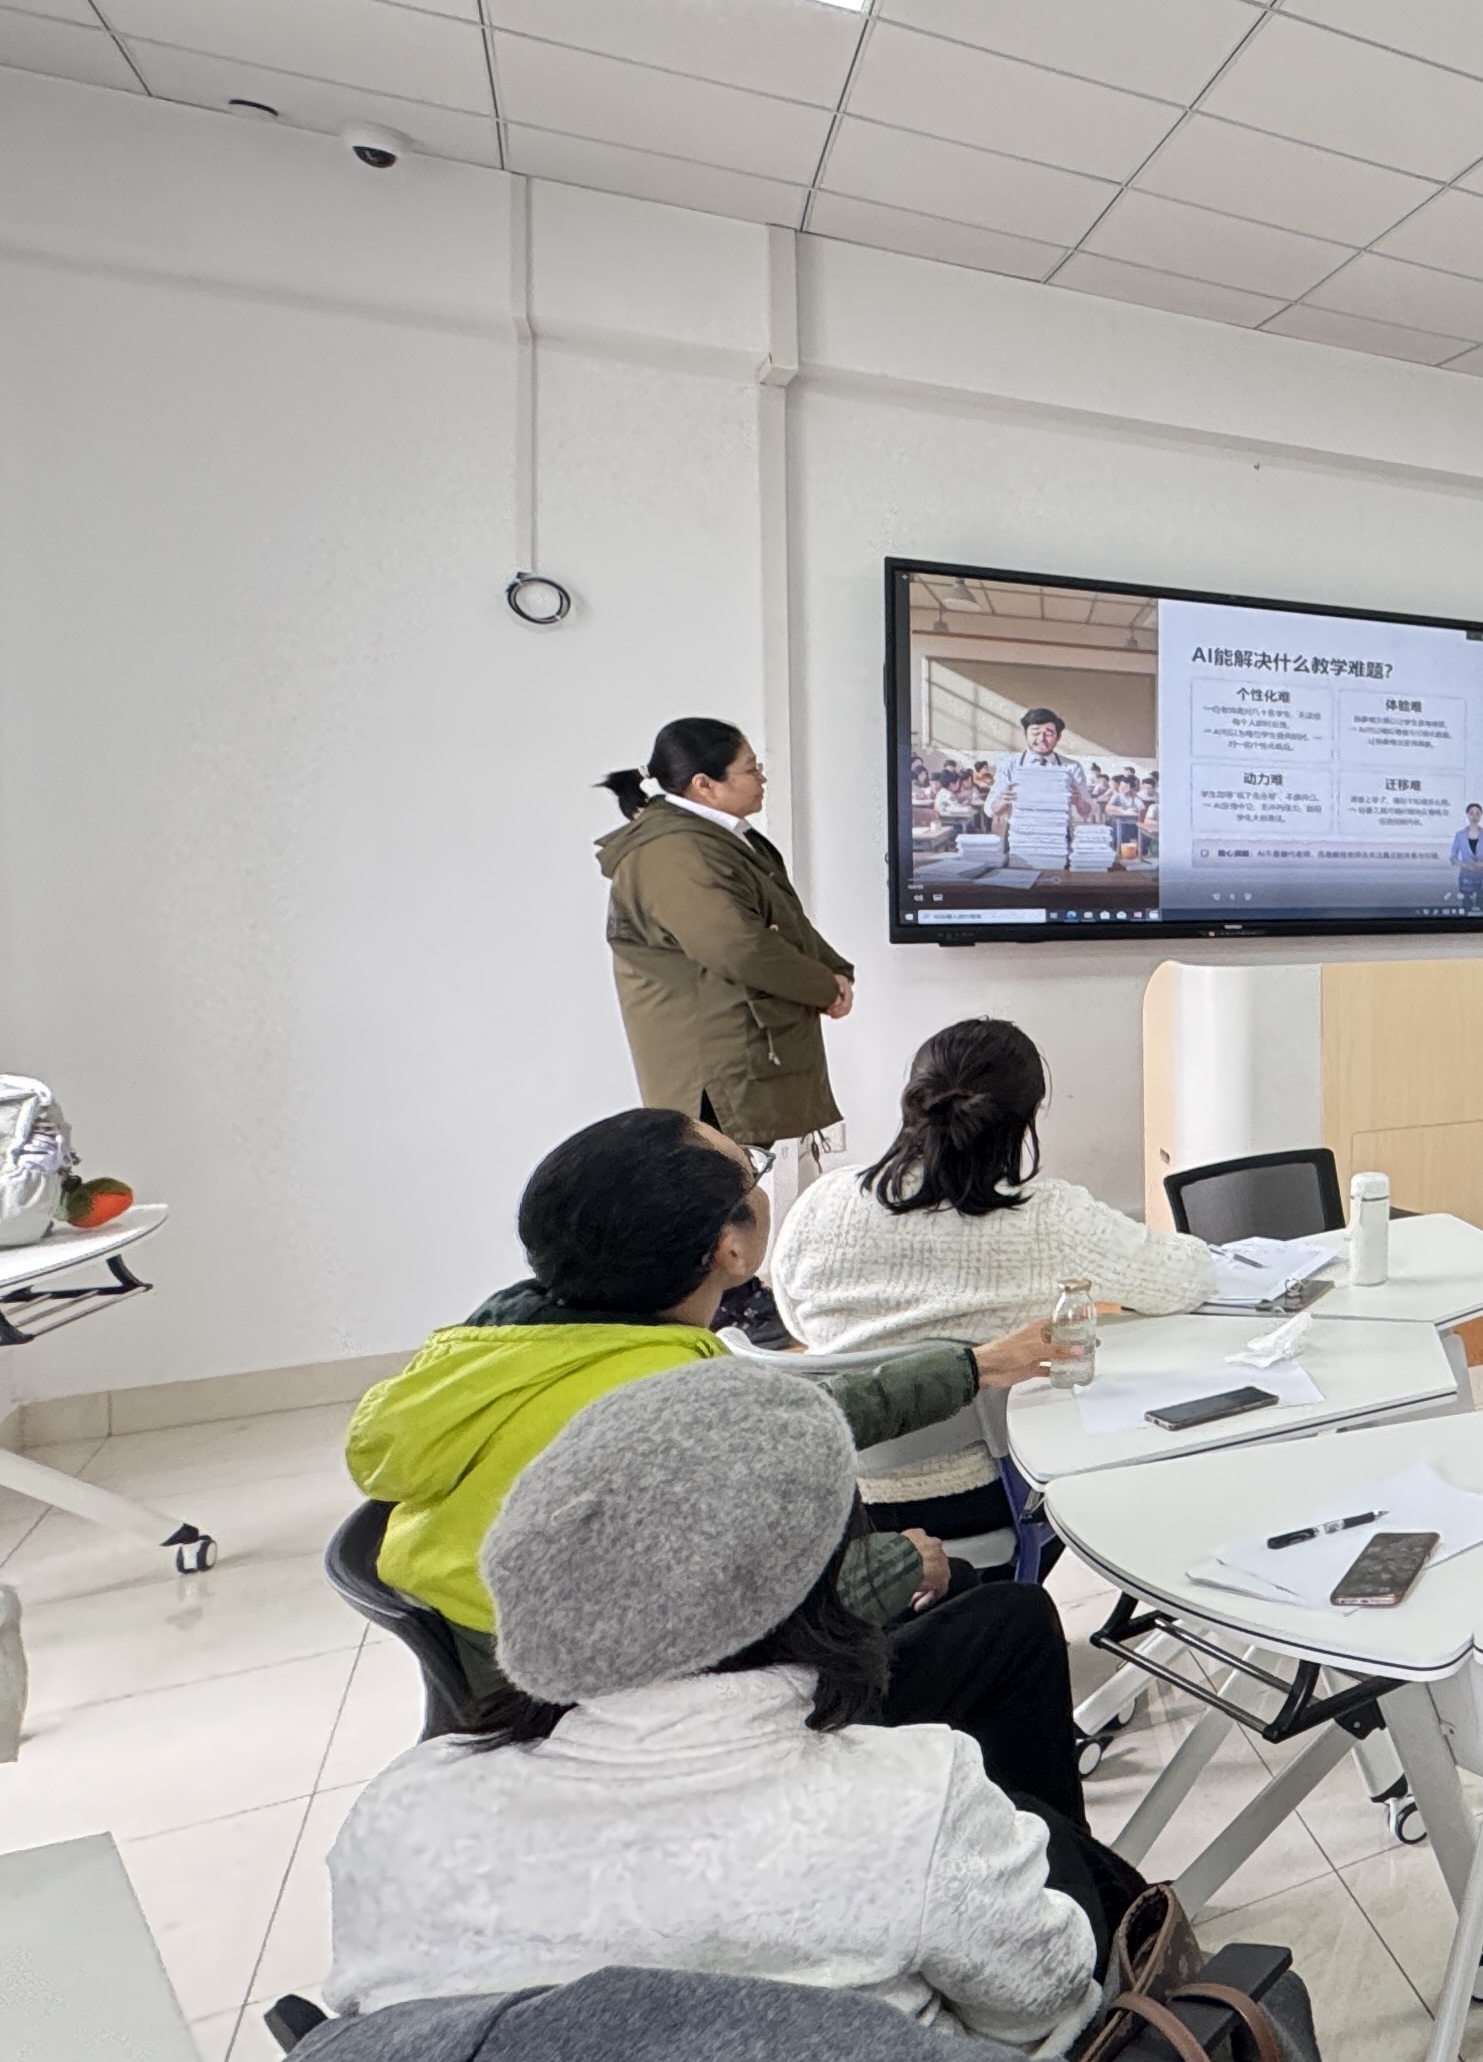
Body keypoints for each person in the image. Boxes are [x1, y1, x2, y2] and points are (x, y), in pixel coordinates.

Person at [347, 1108, 1099, 1825]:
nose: (763, 1181)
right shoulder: (677, 1404)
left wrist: (975, 1366)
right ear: (730, 1250)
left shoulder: (489, 1356)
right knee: (1011, 1620)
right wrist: (890, 1569)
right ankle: (1056, 1875)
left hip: (509, 1720)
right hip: (656, 1745)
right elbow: (734, 1629)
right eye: (753, 1170)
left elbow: (795, 1423)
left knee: (958, 1586)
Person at [324, 1363, 1104, 2051]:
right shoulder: (913, 1798)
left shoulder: (401, 1811)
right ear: (822, 1589)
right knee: (1054, 1849)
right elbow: (1045, 2005)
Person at [771, 1019, 1217, 1535]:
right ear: (1026, 1120)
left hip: (839, 1497)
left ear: (911, 1101)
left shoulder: (822, 1202)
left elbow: (796, 1322)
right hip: (988, 1492)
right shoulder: (1050, 1218)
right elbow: (1188, 1278)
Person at [596, 719, 854, 1185]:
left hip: (737, 1049)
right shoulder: (673, 850)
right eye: (751, 769)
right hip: (709, 1068)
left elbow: (783, 921)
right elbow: (737, 946)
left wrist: (836, 972)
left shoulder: (719, 837)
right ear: (705, 785)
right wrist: (823, 986)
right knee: (714, 1194)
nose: (762, 778)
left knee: (732, 1188)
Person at [989, 707, 1095, 870]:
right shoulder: (1009, 765)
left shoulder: (1071, 767)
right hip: (1020, 841)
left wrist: (1080, 802)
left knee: (1057, 881)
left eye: (1049, 733)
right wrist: (1003, 801)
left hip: (1058, 841)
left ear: (1058, 737)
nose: (1041, 739)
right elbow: (991, 809)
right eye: (1035, 733)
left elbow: (1087, 811)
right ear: (1025, 734)